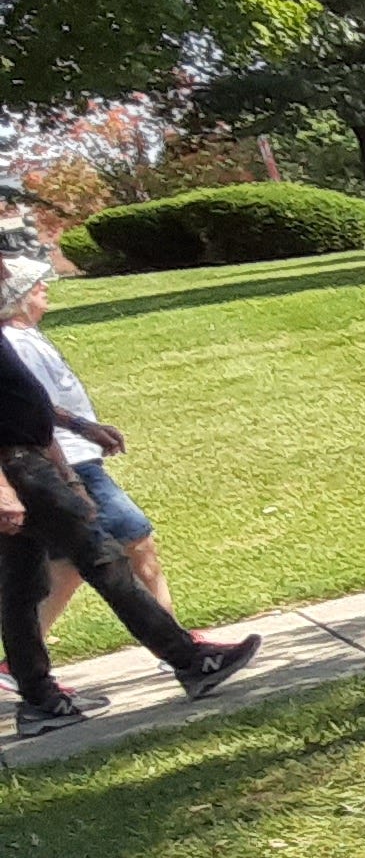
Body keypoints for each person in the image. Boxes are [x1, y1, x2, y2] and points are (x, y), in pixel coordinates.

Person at [0, 259, 259, 736]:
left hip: (31, 462)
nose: (6, 274)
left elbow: (24, 402)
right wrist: (3, 489)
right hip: (17, 470)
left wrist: (79, 432)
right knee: (103, 559)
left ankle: (39, 700)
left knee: (23, 588)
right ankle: (189, 660)